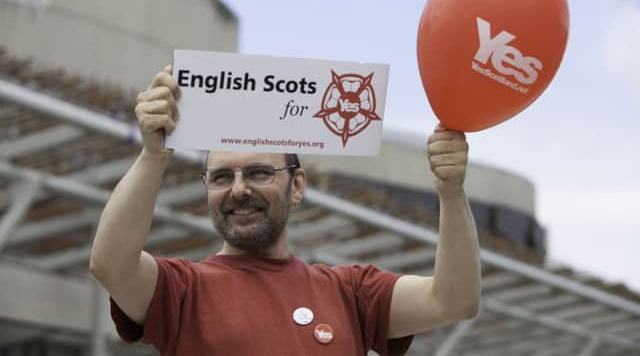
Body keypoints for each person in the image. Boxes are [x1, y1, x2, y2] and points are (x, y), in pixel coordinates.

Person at [89, 66, 481, 356]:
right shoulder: (183, 290)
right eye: (222, 176)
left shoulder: (351, 292)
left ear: (297, 186)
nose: (239, 190)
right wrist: (152, 156)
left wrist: (451, 192)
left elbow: (453, 300)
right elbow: (111, 265)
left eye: (259, 172)